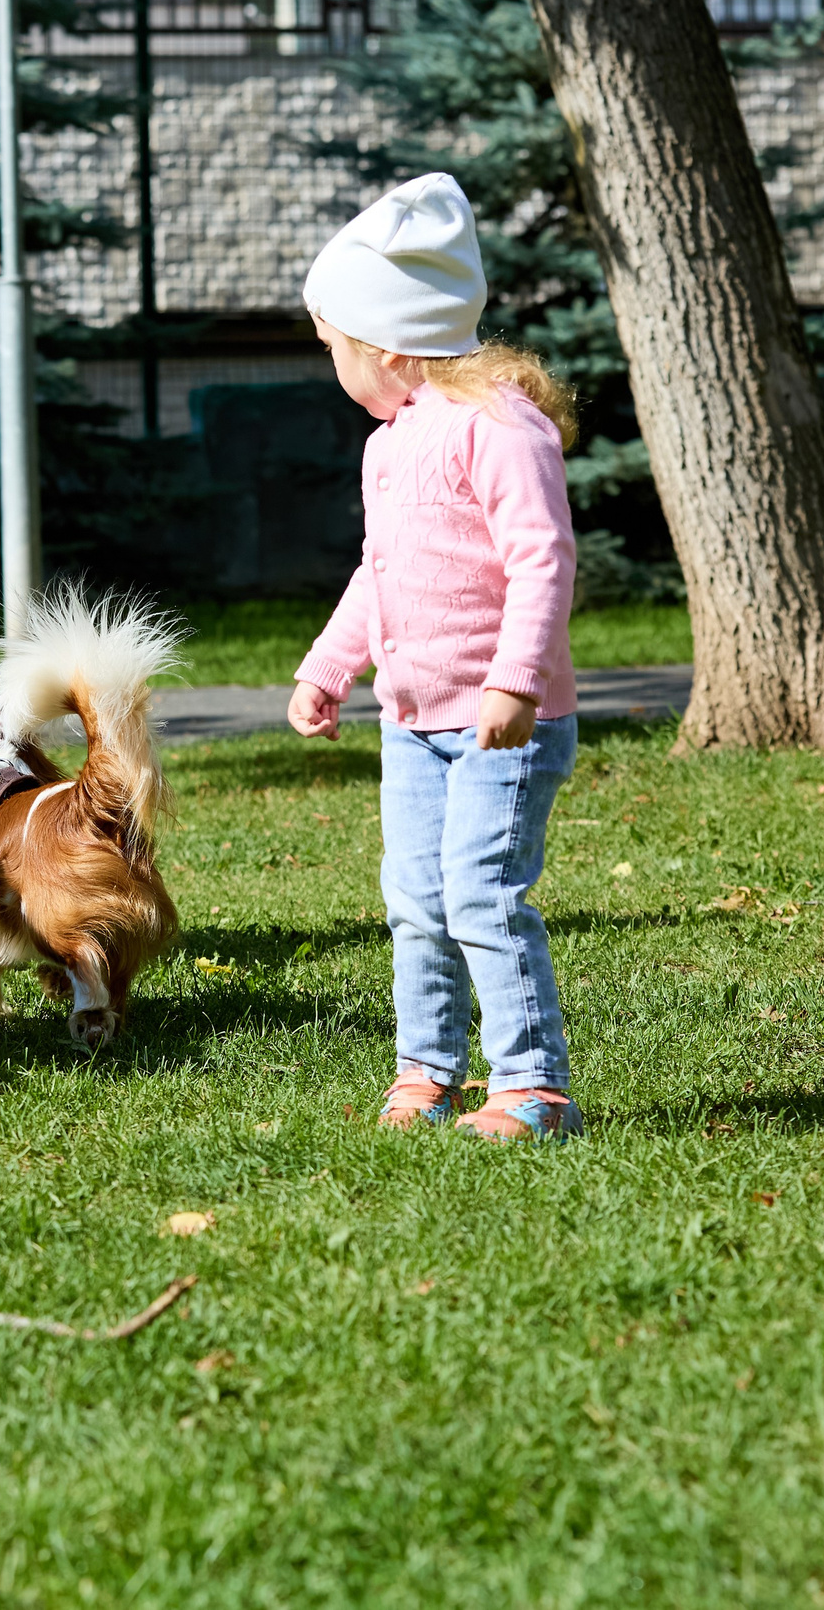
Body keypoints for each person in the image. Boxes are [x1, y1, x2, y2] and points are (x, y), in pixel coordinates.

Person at [285, 173, 587, 1143]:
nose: (330, 361)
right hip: (413, 723)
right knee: (414, 903)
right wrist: (327, 669)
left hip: (502, 723)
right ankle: (427, 1072)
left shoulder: (499, 425)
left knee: (481, 899)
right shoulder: (391, 445)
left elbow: (542, 557)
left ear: (381, 341)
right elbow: (381, 574)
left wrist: (514, 682)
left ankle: (532, 1087)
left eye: (331, 343)